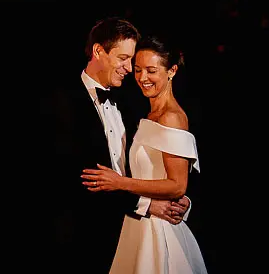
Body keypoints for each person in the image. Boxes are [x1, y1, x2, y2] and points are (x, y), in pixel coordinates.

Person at [41, 18, 191, 273]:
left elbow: (158, 161)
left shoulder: (134, 99)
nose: (130, 69)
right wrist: (146, 205)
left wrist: (179, 200)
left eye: (132, 61)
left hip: (133, 235)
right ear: (99, 51)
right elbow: (77, 179)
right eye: (123, 58)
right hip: (81, 236)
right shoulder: (60, 102)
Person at [82, 35, 207, 274]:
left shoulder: (172, 117)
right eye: (138, 69)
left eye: (151, 70)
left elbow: (178, 185)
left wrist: (120, 183)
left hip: (158, 231)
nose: (142, 78)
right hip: (134, 226)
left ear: (171, 71)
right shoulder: (142, 113)